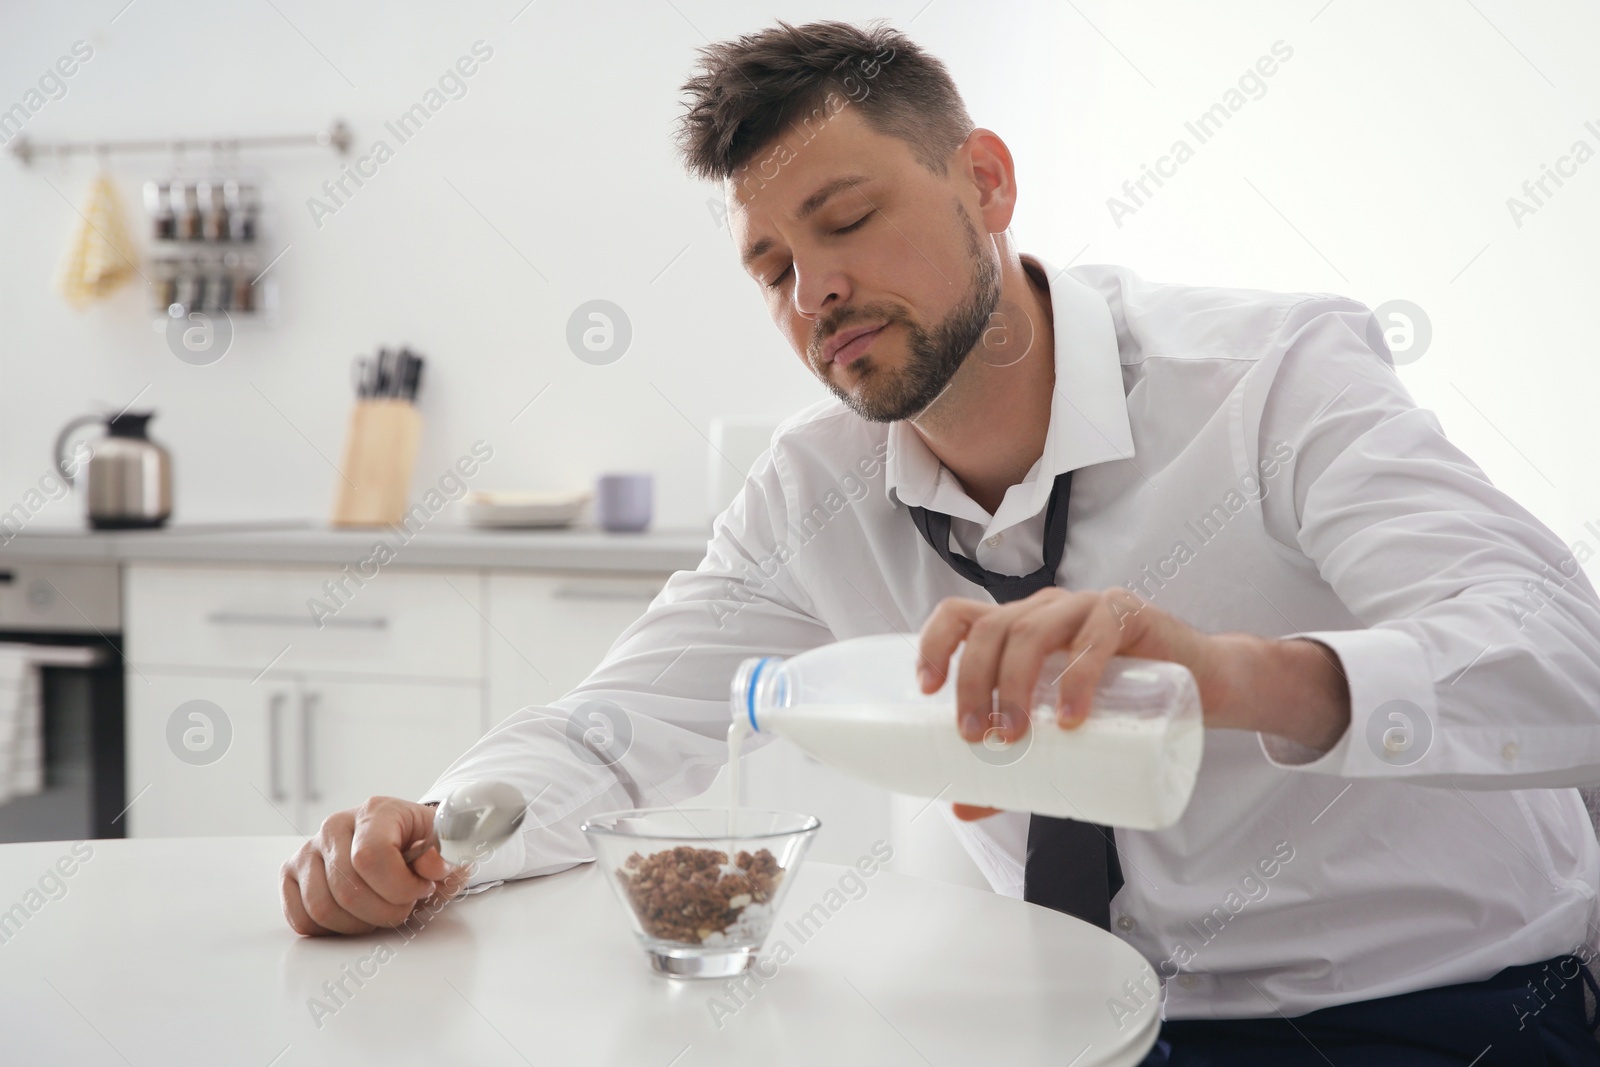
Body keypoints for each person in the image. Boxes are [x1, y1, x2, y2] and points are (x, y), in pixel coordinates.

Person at [280, 20, 1600, 1065]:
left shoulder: (1273, 378)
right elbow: (602, 733)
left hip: (1434, 1013)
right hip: (1070, 1023)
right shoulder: (814, 492)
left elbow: (1561, 660)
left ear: (987, 180)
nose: (817, 292)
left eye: (845, 223)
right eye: (773, 266)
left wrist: (1227, 674)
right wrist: (434, 835)